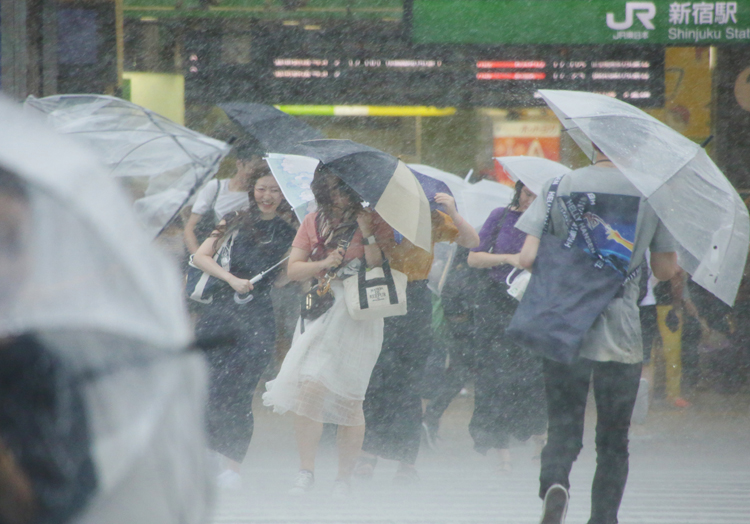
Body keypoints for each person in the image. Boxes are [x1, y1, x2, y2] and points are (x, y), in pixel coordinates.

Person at [516, 148, 678, 524]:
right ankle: (603, 518)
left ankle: (556, 483)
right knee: (613, 438)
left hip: (564, 323)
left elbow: (526, 258)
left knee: (562, 424)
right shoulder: (652, 193)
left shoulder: (558, 186)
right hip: (620, 329)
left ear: (593, 146)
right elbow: (664, 269)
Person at [262, 166, 393, 498]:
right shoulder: (312, 221)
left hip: (358, 313)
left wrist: (369, 232)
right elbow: (293, 269)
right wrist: (324, 264)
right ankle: (306, 471)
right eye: (330, 188)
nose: (335, 195)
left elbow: (379, 266)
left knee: (350, 399)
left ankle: (343, 479)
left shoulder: (372, 218)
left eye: (340, 188)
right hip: (320, 309)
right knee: (309, 387)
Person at [357, 192, 479, 482]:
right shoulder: (376, 216)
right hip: (381, 294)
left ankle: (406, 460)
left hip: (414, 299)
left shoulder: (431, 219)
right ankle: (369, 453)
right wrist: (366, 229)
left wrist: (452, 210)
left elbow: (471, 241)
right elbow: (371, 261)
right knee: (377, 379)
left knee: (409, 382)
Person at [191, 165, 297, 489]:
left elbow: (282, 280)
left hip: (257, 320)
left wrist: (298, 258)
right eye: (262, 189)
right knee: (208, 388)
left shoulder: (290, 231)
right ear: (252, 189)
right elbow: (199, 256)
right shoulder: (233, 218)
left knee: (238, 394)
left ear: (284, 195)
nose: (267, 196)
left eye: (275, 191)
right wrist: (232, 279)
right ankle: (207, 456)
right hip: (220, 314)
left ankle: (233, 467)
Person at [466, 181, 547, 472]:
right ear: (518, 191)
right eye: (527, 193)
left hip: (533, 304)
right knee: (494, 376)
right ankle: (502, 451)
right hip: (495, 302)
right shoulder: (501, 216)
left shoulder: (550, 222)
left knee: (534, 375)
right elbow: (474, 257)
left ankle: (539, 440)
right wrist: (508, 258)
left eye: (538, 196)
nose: (531, 200)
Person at [184, 146, 267, 254]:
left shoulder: (258, 198)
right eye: (252, 169)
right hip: (204, 249)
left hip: (234, 255)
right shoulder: (216, 187)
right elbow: (190, 228)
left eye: (259, 172)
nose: (254, 174)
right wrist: (197, 257)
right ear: (239, 164)